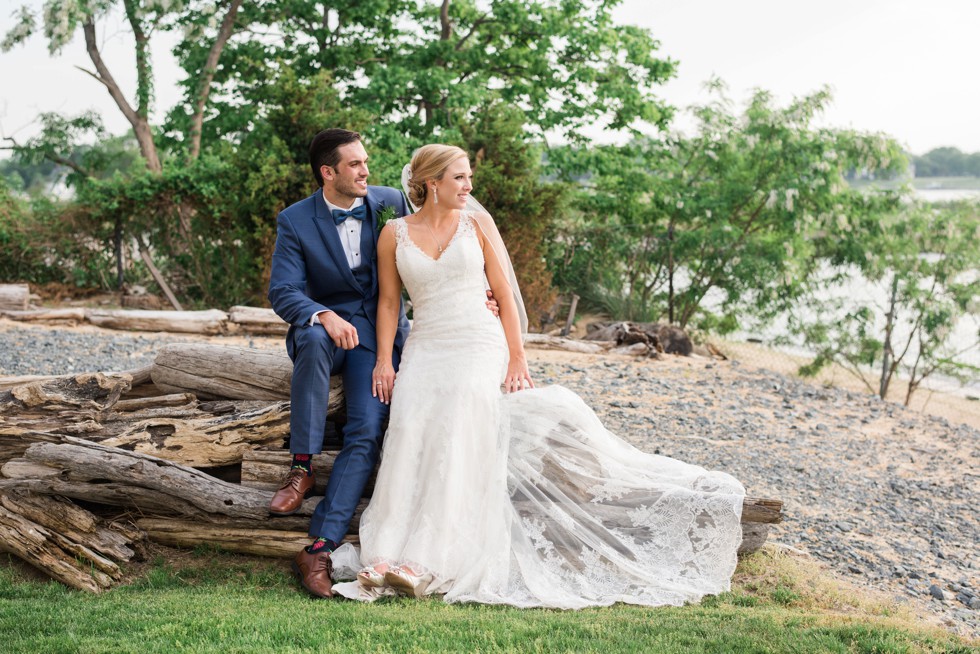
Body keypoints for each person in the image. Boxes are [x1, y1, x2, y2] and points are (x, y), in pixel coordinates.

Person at [330, 144, 747, 609]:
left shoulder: (477, 223)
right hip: (427, 344)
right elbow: (389, 304)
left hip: (477, 340)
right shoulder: (393, 234)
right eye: (460, 178)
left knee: (460, 412)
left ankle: (430, 558)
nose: (469, 187)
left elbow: (505, 295)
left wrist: (516, 358)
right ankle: (387, 551)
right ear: (432, 183)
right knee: (409, 422)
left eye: (469, 178)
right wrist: (386, 361)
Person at [266, 130, 497, 599]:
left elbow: (435, 245)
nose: (366, 171)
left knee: (368, 430)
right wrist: (324, 314)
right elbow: (282, 290)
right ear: (328, 172)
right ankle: (302, 463)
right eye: (354, 165)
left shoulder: (389, 201)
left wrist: (480, 294)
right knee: (310, 337)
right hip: (327, 330)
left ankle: (320, 546)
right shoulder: (294, 220)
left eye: (366, 162)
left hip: (376, 337)